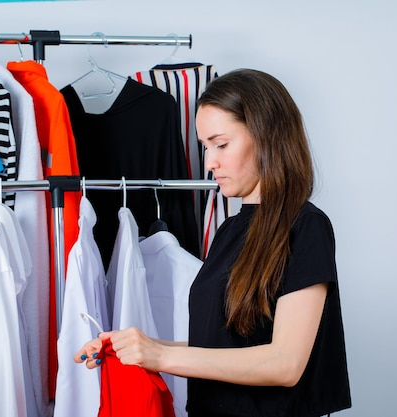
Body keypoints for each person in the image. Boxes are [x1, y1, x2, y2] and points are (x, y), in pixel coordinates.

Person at [75, 68, 352, 417]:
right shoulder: (229, 231)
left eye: (221, 144)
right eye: (205, 147)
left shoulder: (306, 227)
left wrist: (160, 355)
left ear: (267, 135)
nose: (209, 163)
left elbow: (285, 363)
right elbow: (221, 347)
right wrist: (137, 346)